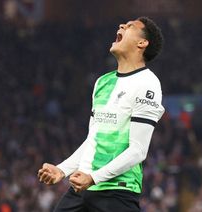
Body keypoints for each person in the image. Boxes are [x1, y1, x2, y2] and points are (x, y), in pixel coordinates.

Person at [38, 16, 165, 212]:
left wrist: (94, 178)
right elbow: (93, 139)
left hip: (117, 191)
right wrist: (62, 169)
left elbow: (138, 150)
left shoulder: (148, 83)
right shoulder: (102, 83)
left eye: (130, 26)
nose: (122, 25)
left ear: (142, 43)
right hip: (82, 187)